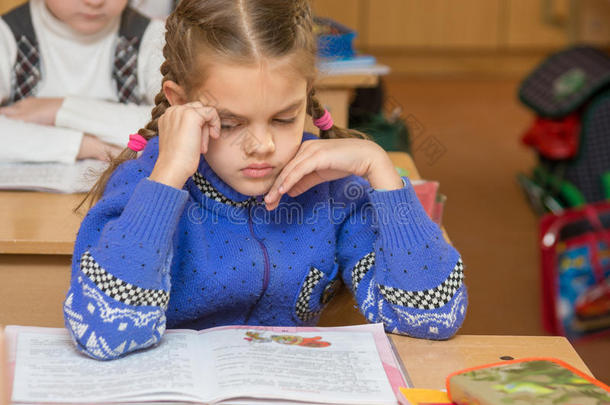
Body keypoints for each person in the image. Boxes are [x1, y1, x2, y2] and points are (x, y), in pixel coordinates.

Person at [63, 0, 468, 360]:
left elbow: (432, 316)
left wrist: (380, 171)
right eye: (230, 123)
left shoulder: (333, 187)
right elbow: (104, 334)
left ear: (306, 95)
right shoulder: (144, 183)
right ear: (179, 103)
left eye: (284, 118)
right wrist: (167, 179)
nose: (263, 146)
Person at [0, 0, 164, 163]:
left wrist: (60, 109)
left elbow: (172, 123)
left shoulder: (155, 37)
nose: (95, 2)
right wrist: (85, 146)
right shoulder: (6, 34)